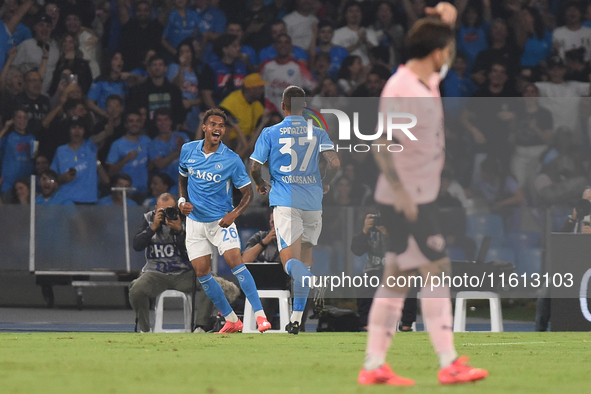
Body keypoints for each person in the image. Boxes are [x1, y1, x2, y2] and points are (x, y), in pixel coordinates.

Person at [359, 4, 488, 386]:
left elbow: (440, 55)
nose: (448, 57)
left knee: (396, 278)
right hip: (407, 199)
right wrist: (399, 190)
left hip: (418, 194)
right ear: (436, 53)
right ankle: (448, 361)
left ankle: (373, 365)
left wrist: (448, 22)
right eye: (446, 49)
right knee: (437, 267)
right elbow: (381, 143)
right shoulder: (401, 89)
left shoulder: (426, 78)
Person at [250, 85, 340, 334]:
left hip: (286, 202)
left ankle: (312, 282)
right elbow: (334, 162)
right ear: (304, 107)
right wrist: (326, 181)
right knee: (306, 259)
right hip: (313, 202)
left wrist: (259, 185)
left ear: (283, 106)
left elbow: (255, 168)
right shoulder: (318, 131)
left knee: (289, 262)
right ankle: (297, 320)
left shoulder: (270, 132)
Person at [178, 108, 272, 333]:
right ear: (204, 127)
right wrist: (182, 200)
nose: (217, 128)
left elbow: (248, 193)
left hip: (222, 221)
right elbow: (182, 177)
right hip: (195, 223)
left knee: (236, 263)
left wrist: (234, 214)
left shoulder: (231, 159)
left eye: (221, 125)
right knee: (202, 273)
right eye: (213, 124)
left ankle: (260, 317)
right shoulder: (187, 150)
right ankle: (231, 320)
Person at [130, 192, 239, 333]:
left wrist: (180, 232)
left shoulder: (188, 218)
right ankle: (145, 330)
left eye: (170, 209)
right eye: (162, 210)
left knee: (210, 283)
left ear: (176, 207)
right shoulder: (149, 219)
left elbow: (194, 253)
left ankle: (200, 326)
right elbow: (137, 245)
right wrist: (153, 227)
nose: (166, 213)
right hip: (156, 273)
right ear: (156, 208)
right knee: (136, 290)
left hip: (185, 273)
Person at [352, 213, 417, 331]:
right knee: (363, 281)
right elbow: (357, 250)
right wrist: (365, 230)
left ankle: (406, 325)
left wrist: (388, 234)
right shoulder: (370, 230)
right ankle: (367, 325)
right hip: (374, 270)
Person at [50, 116, 113, 204]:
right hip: (66, 200)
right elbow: (52, 177)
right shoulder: (60, 150)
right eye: (73, 127)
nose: (77, 131)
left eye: (80, 128)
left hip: (88, 199)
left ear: (84, 130)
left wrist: (110, 117)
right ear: (68, 130)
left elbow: (107, 132)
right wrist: (63, 177)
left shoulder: (91, 145)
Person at [105, 110, 151, 198]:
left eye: (137, 121)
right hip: (126, 193)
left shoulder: (146, 141)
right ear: (126, 124)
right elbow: (110, 173)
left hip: (144, 191)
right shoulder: (117, 144)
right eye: (131, 121)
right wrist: (126, 159)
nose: (135, 124)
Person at [147, 108, 188, 195]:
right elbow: (160, 165)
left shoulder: (182, 136)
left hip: (187, 185)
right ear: (155, 123)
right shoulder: (152, 144)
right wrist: (179, 151)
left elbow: (194, 157)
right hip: (168, 189)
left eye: (166, 119)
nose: (163, 124)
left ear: (171, 121)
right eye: (159, 120)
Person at [0, 108, 35, 201]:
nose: (22, 121)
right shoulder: (8, 137)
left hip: (26, 186)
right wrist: (5, 128)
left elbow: (34, 157)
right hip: (8, 185)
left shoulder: (32, 138)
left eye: (25, 118)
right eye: (19, 117)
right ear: (13, 120)